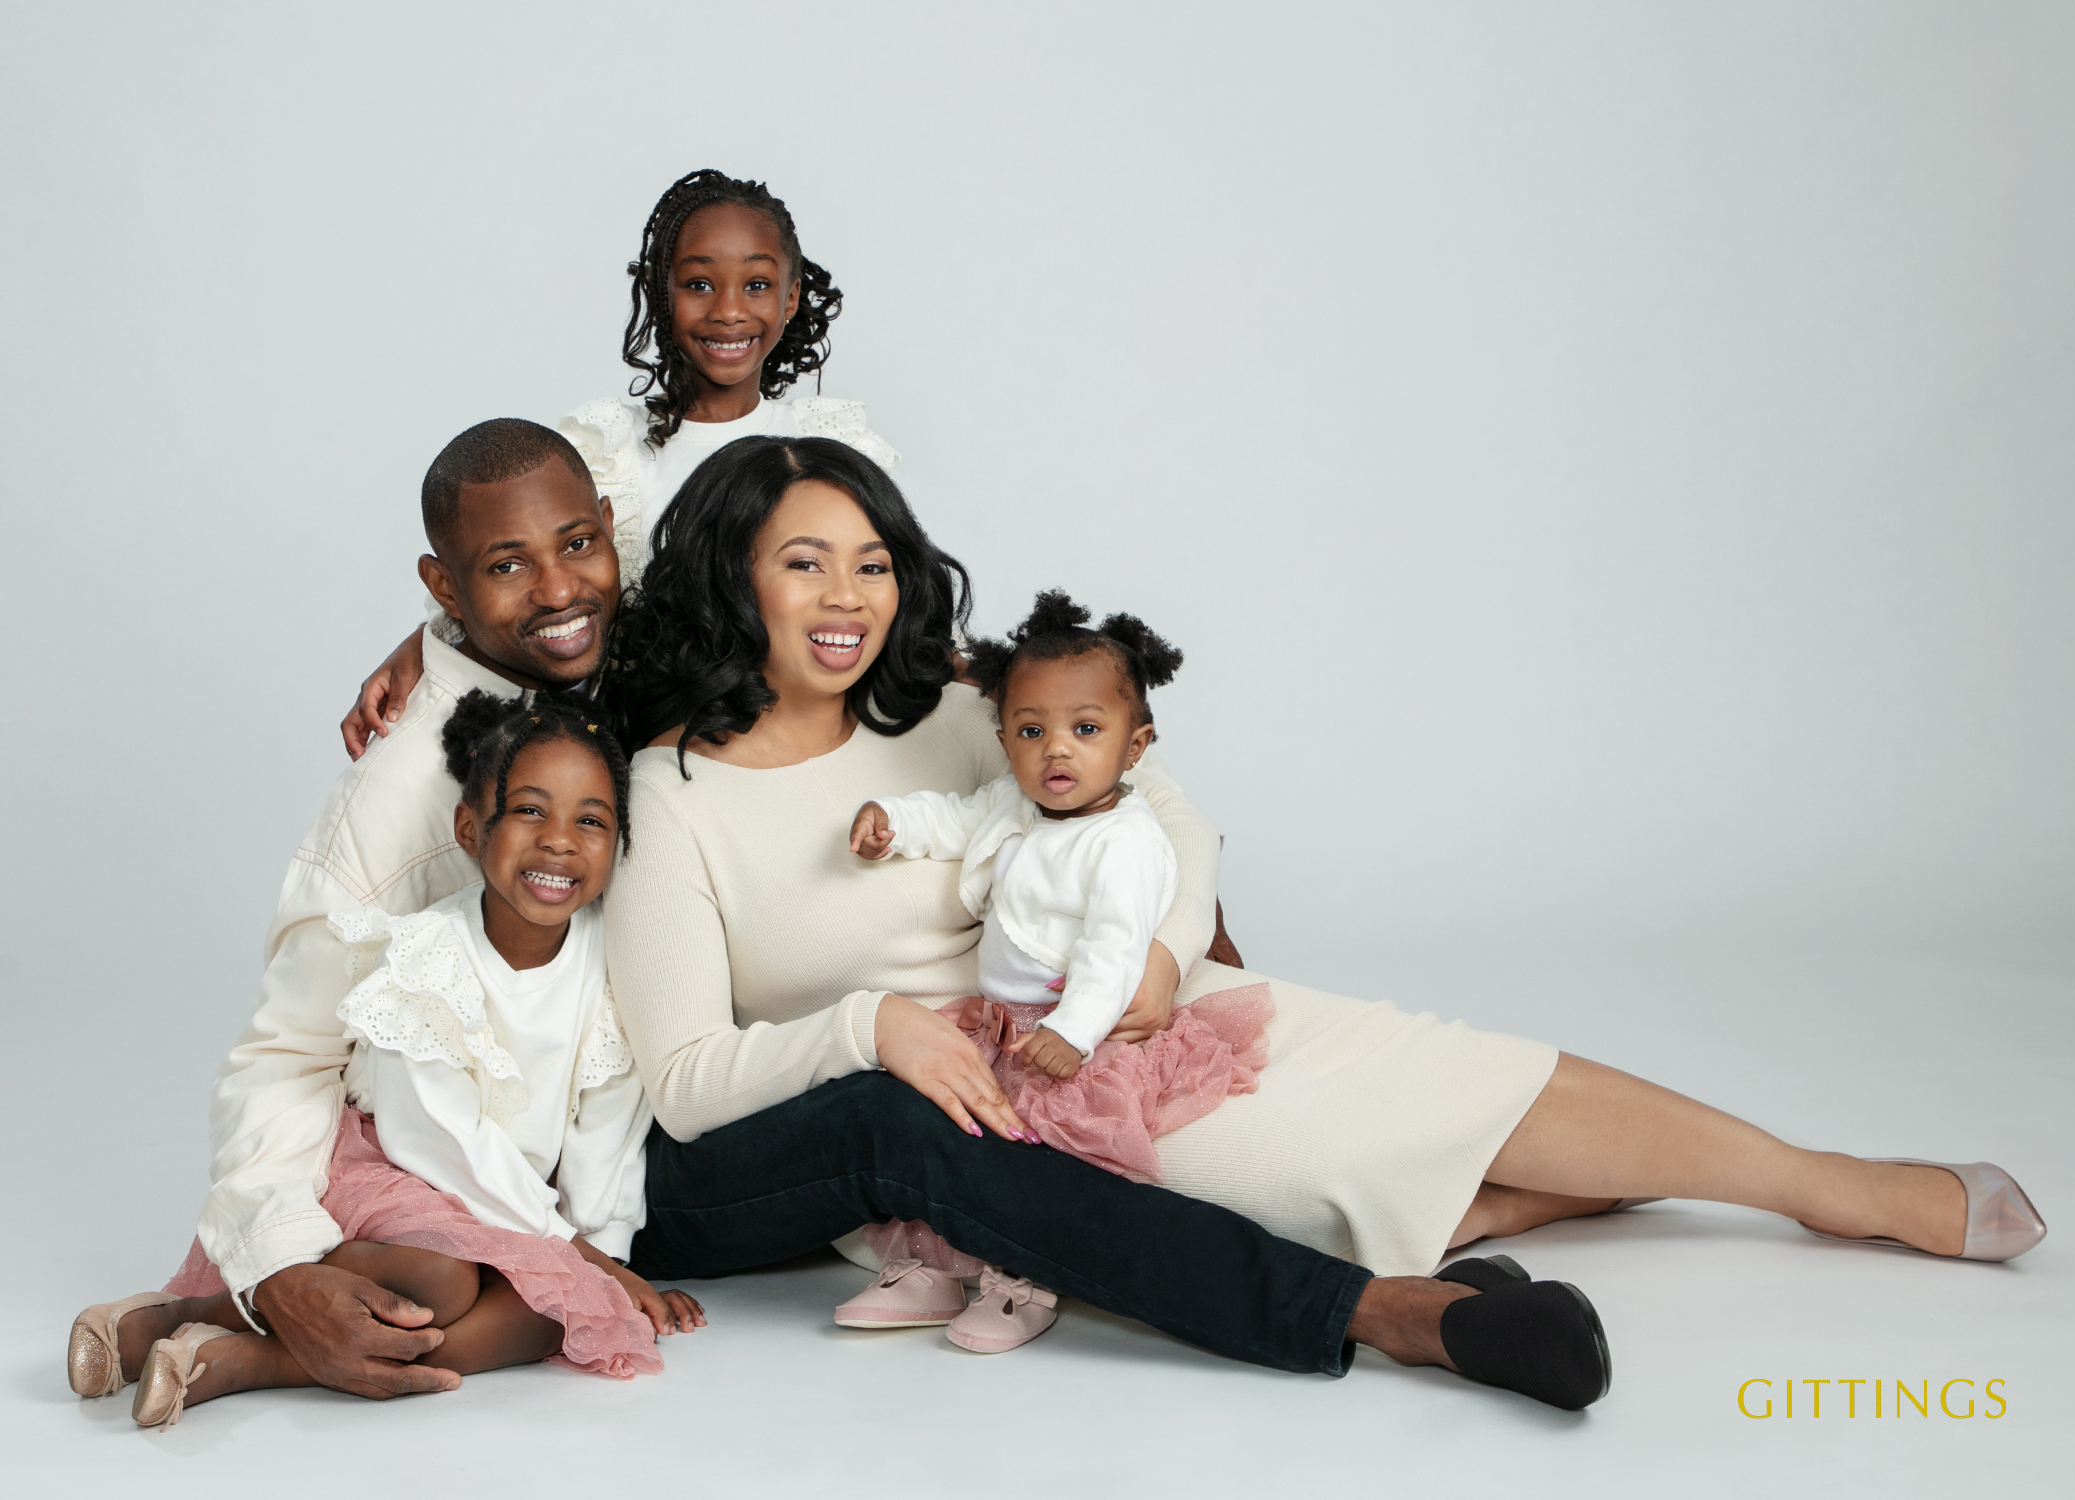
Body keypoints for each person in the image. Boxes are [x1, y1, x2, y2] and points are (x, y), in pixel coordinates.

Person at [85, 415, 1623, 1411]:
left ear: (626, 553)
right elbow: (285, 1052)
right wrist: (278, 1243)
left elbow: (1052, 750)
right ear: (450, 583)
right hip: (519, 1131)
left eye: (579, 551)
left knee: (951, 1126)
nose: (557, 587)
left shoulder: (639, 654)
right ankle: (1392, 1315)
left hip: (613, 1133)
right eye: (504, 573)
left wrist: (1161, 937)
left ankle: (188, 1333)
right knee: (461, 1250)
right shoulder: (408, 781)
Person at [596, 433, 2046, 1397]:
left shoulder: (958, 707)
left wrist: (1164, 955)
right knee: (1301, 1159)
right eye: (803, 563)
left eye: (871, 560)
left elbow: (1168, 815)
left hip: (1127, 1017)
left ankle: (1825, 1181)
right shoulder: (670, 800)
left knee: (1404, 1058)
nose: (848, 597)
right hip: (996, 1105)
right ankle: (1470, 1270)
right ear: (733, 579)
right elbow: (683, 1084)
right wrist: (876, 1026)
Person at [73, 692, 705, 1428]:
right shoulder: (426, 959)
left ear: (619, 844)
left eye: (590, 821)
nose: (560, 841)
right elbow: (438, 1139)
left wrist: (606, 1260)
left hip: (510, 1210)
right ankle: (191, 1311)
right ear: (472, 828)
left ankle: (252, 1362)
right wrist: (580, 1257)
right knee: (442, 1281)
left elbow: (610, 1126)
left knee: (554, 1316)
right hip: (396, 1170)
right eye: (531, 811)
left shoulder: (611, 957)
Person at [838, 592, 1272, 1352]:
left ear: (1135, 748)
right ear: (1005, 737)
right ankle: (934, 1267)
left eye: (1086, 730)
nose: (1057, 751)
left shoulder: (1124, 843)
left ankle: (1025, 1277)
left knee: (1041, 1153)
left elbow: (1114, 948)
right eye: (1033, 732)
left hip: (1075, 1032)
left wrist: (1074, 1031)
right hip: (1002, 1025)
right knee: (955, 1129)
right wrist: (893, 821)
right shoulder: (1015, 802)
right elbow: (956, 815)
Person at [341, 169, 897, 760]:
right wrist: (419, 650)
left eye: (756, 284)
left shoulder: (830, 443)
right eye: (700, 284)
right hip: (645, 754)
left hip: (815, 745)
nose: (729, 310)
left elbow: (888, 586)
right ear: (661, 292)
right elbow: (502, 583)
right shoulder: (608, 449)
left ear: (789, 298)